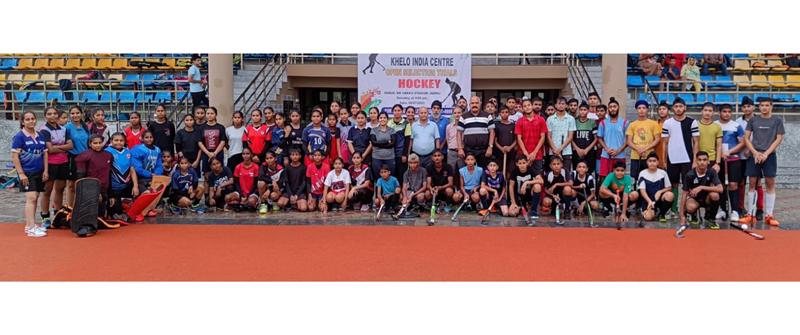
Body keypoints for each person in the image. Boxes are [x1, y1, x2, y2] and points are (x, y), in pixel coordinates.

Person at [741, 98, 784, 226]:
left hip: (769, 155)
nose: (764, 107)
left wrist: (766, 153)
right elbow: (746, 138)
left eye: (767, 105)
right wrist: (755, 153)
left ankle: (769, 215)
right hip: (754, 155)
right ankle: (750, 214)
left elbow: (779, 138)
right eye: (762, 105)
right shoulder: (753, 120)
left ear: (771, 107)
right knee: (752, 183)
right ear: (758, 107)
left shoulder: (777, 120)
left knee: (770, 183)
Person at [12, 111, 49, 237]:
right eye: (27, 119)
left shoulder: (40, 135)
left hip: (39, 171)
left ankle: (29, 225)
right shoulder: (19, 137)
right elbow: (15, 156)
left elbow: (45, 154)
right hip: (27, 172)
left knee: (35, 198)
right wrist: (21, 174)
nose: (31, 121)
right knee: (31, 198)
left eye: (33, 119)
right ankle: (32, 228)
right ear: (23, 122)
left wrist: (45, 170)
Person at [661, 97, 699, 215]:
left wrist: (695, 160)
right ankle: (673, 209)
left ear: (685, 107)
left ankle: (687, 210)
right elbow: (664, 143)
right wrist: (664, 160)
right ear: (673, 108)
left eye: (680, 106)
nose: (678, 109)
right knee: (673, 184)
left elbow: (696, 142)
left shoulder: (692, 122)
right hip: (672, 158)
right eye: (676, 107)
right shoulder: (667, 123)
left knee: (688, 185)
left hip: (687, 158)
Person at [40, 108, 72, 228]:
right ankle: (45, 216)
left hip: (63, 162)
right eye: (49, 114)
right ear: (45, 117)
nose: (52, 116)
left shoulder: (64, 129)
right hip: (50, 163)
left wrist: (56, 148)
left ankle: (58, 214)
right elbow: (50, 150)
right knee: (47, 190)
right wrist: (63, 147)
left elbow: (71, 145)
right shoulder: (44, 130)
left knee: (60, 189)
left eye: (54, 114)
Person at [735, 97, 764, 221]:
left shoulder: (760, 120)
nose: (746, 109)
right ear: (742, 108)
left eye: (749, 106)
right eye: (744, 107)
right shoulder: (737, 122)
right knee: (741, 182)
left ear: (753, 107)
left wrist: (752, 150)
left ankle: (759, 209)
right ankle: (740, 207)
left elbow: (763, 139)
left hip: (756, 156)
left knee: (757, 183)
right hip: (741, 157)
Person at [715, 104, 745, 222]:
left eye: (729, 112)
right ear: (719, 112)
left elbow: (742, 143)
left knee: (733, 184)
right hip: (719, 160)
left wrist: (729, 152)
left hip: (733, 159)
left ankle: (735, 211)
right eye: (724, 111)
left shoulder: (736, 126)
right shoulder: (715, 125)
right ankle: (723, 209)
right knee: (721, 185)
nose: (727, 114)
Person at [74, 135, 112, 227]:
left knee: (102, 216)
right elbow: (81, 177)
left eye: (100, 143)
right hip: (90, 189)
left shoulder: (108, 155)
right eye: (95, 143)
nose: (98, 145)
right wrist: (95, 192)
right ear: (90, 144)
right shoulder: (84, 156)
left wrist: (112, 195)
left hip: (104, 188)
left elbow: (109, 175)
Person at [679, 151, 723, 229]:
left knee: (715, 195)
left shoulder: (712, 172)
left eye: (704, 160)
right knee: (690, 207)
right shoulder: (690, 174)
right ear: (696, 161)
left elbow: (720, 189)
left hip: (707, 198)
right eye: (699, 160)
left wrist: (701, 187)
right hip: (694, 199)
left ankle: (712, 219)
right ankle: (694, 215)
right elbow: (684, 194)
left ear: (708, 161)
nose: (702, 162)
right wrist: (682, 215)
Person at [105, 132, 140, 221]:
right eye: (116, 140)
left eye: (121, 140)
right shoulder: (107, 152)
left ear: (125, 142)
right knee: (119, 216)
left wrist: (135, 186)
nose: (119, 142)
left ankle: (134, 211)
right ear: (111, 141)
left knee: (145, 192)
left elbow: (132, 170)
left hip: (128, 185)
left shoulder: (128, 152)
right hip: (114, 188)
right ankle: (113, 211)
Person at [457, 96, 496, 170]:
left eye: (476, 103)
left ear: (480, 104)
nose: (474, 105)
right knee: (469, 172)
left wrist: (490, 147)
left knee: (484, 172)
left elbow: (492, 132)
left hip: (484, 150)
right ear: (469, 104)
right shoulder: (463, 117)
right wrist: (460, 148)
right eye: (472, 103)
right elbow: (459, 133)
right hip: (469, 149)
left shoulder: (487, 116)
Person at [626, 100, 661, 181]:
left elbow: (657, 139)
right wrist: (638, 149)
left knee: (649, 177)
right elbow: (629, 141)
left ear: (647, 109)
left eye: (644, 108)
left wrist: (645, 148)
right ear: (636, 110)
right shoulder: (632, 124)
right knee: (636, 178)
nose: (641, 110)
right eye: (639, 108)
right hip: (636, 155)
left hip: (649, 155)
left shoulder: (653, 123)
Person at [597, 97, 629, 184]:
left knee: (619, 179)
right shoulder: (603, 123)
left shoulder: (625, 123)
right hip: (605, 155)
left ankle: (618, 197)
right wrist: (606, 149)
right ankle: (603, 197)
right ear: (608, 109)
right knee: (603, 179)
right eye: (610, 107)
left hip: (620, 155)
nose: (613, 109)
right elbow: (599, 138)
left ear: (618, 108)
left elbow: (628, 140)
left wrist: (618, 150)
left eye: (614, 106)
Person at [636, 152, 673, 222]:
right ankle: (647, 210)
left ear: (658, 162)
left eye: (654, 161)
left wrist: (660, 192)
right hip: (647, 200)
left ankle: (662, 213)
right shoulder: (642, 173)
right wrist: (649, 201)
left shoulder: (663, 173)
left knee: (670, 195)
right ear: (647, 162)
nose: (652, 163)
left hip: (658, 200)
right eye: (650, 161)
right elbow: (642, 190)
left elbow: (669, 187)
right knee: (648, 218)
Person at [515, 97, 548, 176]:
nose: (527, 107)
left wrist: (534, 153)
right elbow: (519, 138)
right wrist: (526, 153)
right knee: (523, 178)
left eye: (529, 105)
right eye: (525, 106)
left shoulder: (541, 120)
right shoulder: (520, 121)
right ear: (522, 109)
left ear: (532, 106)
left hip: (537, 155)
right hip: (523, 155)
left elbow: (542, 137)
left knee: (538, 178)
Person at [64, 105, 90, 206]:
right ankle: (70, 208)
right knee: (71, 185)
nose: (75, 115)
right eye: (73, 113)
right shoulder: (67, 128)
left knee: (83, 184)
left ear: (81, 114)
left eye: (77, 113)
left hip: (85, 158)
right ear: (70, 115)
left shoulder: (86, 127)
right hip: (73, 158)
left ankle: (81, 207)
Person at [546, 96, 577, 176]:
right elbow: (548, 136)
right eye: (559, 103)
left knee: (566, 174)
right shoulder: (550, 119)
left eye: (563, 104)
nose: (561, 105)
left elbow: (570, 137)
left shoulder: (570, 119)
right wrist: (555, 150)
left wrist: (560, 149)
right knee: (553, 175)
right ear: (555, 105)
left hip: (566, 151)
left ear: (566, 106)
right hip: (553, 151)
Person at [198, 107, 228, 185]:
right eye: (208, 114)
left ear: (216, 115)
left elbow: (223, 141)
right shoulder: (202, 127)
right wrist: (208, 153)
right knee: (207, 177)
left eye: (212, 113)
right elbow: (200, 142)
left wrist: (215, 153)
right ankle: (207, 195)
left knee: (220, 175)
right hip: (205, 154)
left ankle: (219, 194)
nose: (210, 115)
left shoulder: (220, 127)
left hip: (218, 153)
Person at [508, 154, 544, 219]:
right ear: (517, 164)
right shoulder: (514, 171)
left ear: (527, 163)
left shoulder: (531, 169)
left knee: (537, 186)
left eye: (524, 163)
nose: (522, 165)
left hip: (529, 194)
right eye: (520, 163)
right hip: (518, 196)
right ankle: (522, 207)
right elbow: (511, 186)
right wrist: (513, 202)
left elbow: (541, 181)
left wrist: (526, 182)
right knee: (512, 213)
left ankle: (533, 210)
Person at [131, 131, 163, 198]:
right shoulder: (137, 149)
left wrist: (157, 173)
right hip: (139, 178)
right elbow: (137, 168)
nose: (149, 139)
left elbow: (159, 165)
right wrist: (150, 174)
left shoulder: (157, 150)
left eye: (151, 137)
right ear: (142, 139)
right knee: (146, 195)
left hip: (154, 178)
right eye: (146, 137)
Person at [541, 156, 573, 220]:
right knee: (546, 202)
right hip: (553, 195)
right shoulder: (548, 174)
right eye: (554, 164)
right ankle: (554, 207)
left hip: (563, 194)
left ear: (561, 164)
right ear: (550, 166)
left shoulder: (565, 171)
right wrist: (553, 195)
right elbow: (545, 189)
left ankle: (567, 210)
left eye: (558, 164)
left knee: (568, 189)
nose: (556, 166)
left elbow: (571, 183)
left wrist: (556, 184)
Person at [697, 103, 723, 177]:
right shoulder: (695, 125)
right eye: (705, 110)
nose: (707, 112)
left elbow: (719, 146)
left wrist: (717, 163)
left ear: (713, 113)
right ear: (701, 111)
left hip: (711, 159)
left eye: (710, 111)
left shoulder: (717, 127)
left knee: (711, 185)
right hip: (697, 159)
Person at [572, 101, 598, 174]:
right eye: (581, 110)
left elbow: (596, 138)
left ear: (588, 111)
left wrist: (587, 150)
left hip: (589, 151)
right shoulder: (574, 122)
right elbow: (571, 138)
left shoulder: (592, 122)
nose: (583, 112)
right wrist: (577, 149)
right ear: (578, 110)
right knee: (577, 171)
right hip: (577, 151)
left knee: (588, 171)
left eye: (585, 110)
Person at [493, 106, 517, 177]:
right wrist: (501, 148)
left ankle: (509, 187)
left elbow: (516, 140)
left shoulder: (513, 125)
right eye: (502, 112)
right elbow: (495, 140)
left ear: (509, 113)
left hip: (511, 153)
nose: (504, 114)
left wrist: (510, 147)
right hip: (499, 153)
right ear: (499, 114)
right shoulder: (497, 125)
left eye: (506, 112)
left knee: (510, 172)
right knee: (500, 172)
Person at [387, 105, 409, 182]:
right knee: (391, 174)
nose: (397, 112)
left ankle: (401, 192)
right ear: (392, 112)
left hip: (400, 153)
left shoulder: (406, 123)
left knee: (401, 175)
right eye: (395, 110)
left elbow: (407, 140)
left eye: (399, 110)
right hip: (390, 153)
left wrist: (404, 154)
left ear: (402, 111)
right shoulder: (388, 123)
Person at [370, 112, 396, 176]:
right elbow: (374, 143)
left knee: (390, 177)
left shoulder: (391, 130)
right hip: (377, 157)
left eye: (384, 118)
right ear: (378, 119)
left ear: (387, 119)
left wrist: (379, 145)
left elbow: (393, 144)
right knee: (378, 177)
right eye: (381, 118)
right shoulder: (374, 130)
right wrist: (387, 141)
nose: (382, 119)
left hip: (389, 157)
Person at [445, 106, 464, 171]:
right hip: (451, 153)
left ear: (462, 113)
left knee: (462, 172)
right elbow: (448, 139)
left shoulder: (465, 126)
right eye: (455, 113)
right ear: (453, 114)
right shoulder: (449, 127)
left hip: (462, 152)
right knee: (451, 172)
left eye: (459, 113)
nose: (457, 114)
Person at [654, 101, 671, 171]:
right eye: (660, 109)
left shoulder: (673, 123)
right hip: (656, 157)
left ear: (668, 111)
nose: (661, 111)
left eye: (664, 109)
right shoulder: (654, 124)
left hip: (670, 157)